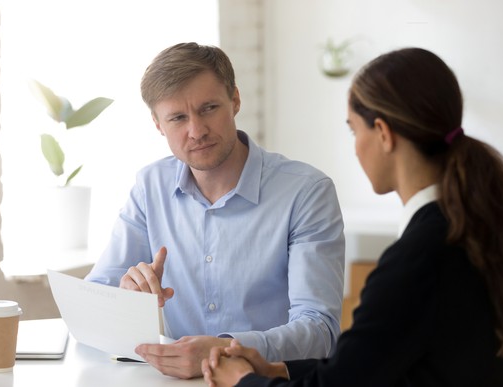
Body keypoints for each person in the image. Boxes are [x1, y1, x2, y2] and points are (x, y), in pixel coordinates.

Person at [202, 47, 503, 387]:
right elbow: (375, 362)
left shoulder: (420, 256)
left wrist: (241, 381)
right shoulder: (469, 227)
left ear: (383, 133)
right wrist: (280, 370)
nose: (356, 145)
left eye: (354, 130)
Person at [84, 42, 346, 379]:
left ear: (235, 100)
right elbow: (92, 304)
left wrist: (225, 348)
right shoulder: (150, 187)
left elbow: (319, 333)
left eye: (209, 108)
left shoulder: (306, 192)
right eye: (178, 118)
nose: (196, 131)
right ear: (157, 124)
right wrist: (125, 300)